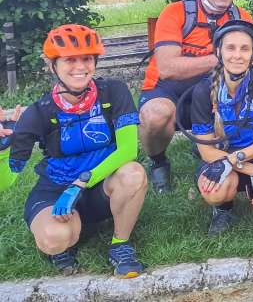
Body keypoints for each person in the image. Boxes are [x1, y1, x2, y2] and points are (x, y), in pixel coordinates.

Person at [0, 25, 147, 277]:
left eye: (87, 58)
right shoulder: (38, 112)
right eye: (69, 60)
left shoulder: (113, 91)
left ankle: (120, 244)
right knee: (55, 239)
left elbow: (128, 150)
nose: (80, 67)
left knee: (133, 173)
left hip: (100, 185)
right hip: (56, 190)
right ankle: (66, 239)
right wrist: (3, 150)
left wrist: (81, 183)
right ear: (52, 65)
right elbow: (7, 179)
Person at [139, 0, 253, 193]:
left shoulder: (242, 17)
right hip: (167, 88)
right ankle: (158, 161)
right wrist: (221, 58)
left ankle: (210, 154)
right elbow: (168, 68)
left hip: (213, 89)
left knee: (240, 104)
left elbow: (250, 63)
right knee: (156, 115)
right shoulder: (177, 12)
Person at [187, 20, 253, 237]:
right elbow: (206, 151)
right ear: (218, 51)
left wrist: (245, 160)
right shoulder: (203, 90)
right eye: (230, 48)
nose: (237, 55)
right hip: (221, 159)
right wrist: (249, 169)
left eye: (245, 49)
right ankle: (223, 211)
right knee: (215, 191)